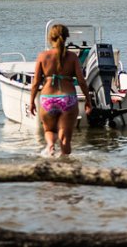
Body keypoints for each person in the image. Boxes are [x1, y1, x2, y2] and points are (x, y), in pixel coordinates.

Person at [29, 24, 92, 156]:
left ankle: (51, 146)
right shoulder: (72, 57)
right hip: (67, 99)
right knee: (65, 139)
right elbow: (81, 81)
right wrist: (88, 99)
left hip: (47, 100)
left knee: (50, 131)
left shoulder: (42, 56)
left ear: (50, 38)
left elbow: (35, 83)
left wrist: (31, 102)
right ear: (66, 37)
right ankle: (66, 166)